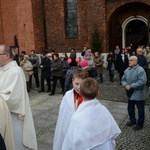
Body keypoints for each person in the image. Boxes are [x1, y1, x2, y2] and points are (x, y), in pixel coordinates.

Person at [62, 78, 121, 150]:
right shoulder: (103, 109)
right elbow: (110, 131)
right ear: (98, 93)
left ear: (80, 93)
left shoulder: (76, 117)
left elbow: (70, 142)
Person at [0, 44, 37, 149]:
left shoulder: (15, 71)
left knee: (15, 142)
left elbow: (13, 99)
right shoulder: (2, 69)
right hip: (3, 115)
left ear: (6, 55)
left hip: (13, 116)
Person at [53, 69, 89, 150]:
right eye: (76, 84)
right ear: (72, 81)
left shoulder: (89, 98)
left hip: (83, 132)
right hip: (68, 128)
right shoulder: (67, 95)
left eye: (82, 84)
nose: (79, 87)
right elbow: (63, 115)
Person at [121, 56, 147, 130]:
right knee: (130, 109)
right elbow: (123, 80)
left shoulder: (140, 70)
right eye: (129, 60)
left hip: (139, 95)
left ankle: (140, 124)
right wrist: (125, 85)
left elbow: (142, 82)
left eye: (131, 60)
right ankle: (132, 120)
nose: (129, 61)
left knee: (141, 111)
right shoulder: (126, 70)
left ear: (136, 62)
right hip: (130, 94)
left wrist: (131, 86)